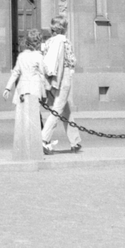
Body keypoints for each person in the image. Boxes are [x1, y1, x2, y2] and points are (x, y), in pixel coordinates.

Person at [40, 15, 82, 153]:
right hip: (63, 77)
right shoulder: (65, 42)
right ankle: (43, 139)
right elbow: (72, 61)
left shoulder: (48, 42)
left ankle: (75, 141)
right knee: (58, 109)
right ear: (64, 28)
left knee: (64, 109)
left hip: (50, 78)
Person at [3, 29, 48, 151]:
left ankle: (27, 143)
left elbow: (15, 72)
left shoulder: (21, 56)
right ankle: (42, 142)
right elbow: (42, 75)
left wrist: (8, 87)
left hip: (22, 89)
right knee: (36, 116)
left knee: (24, 117)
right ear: (38, 43)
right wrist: (45, 92)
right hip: (34, 89)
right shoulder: (39, 57)